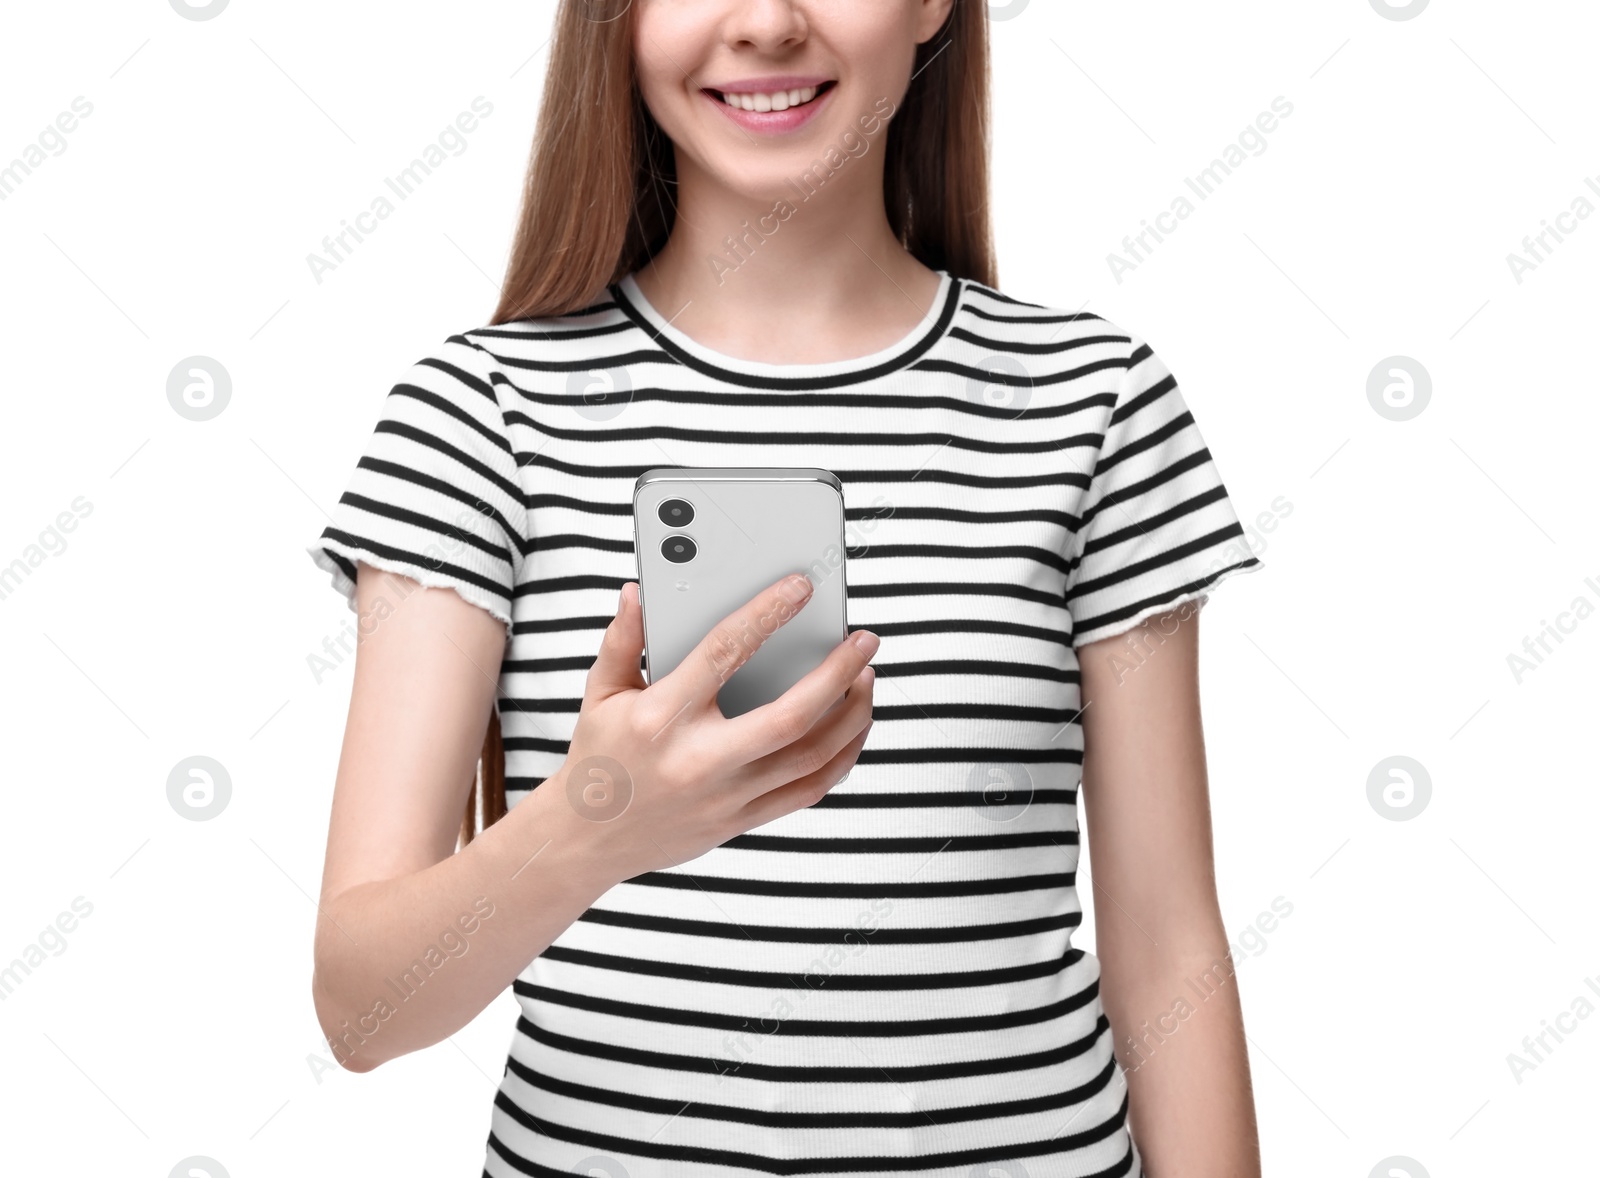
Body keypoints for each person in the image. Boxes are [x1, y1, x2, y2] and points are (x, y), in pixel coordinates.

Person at [305, 2, 1265, 1174]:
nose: (764, 23)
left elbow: (1168, 949)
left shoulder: (1089, 400)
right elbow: (361, 1008)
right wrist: (592, 820)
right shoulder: (481, 416)